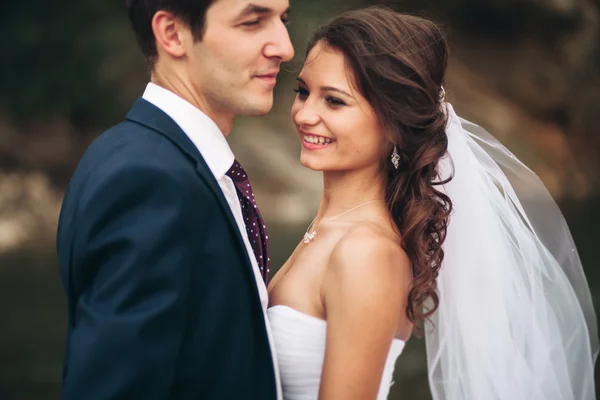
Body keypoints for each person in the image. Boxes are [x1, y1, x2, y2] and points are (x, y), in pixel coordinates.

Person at [267, 6, 598, 400]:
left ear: (393, 121)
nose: (305, 113)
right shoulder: (330, 231)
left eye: (334, 101)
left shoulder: (366, 252)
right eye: (303, 91)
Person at [56, 1, 293, 399]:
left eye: (283, 20)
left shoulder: (154, 159)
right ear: (172, 34)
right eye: (253, 22)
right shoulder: (147, 181)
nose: (284, 47)